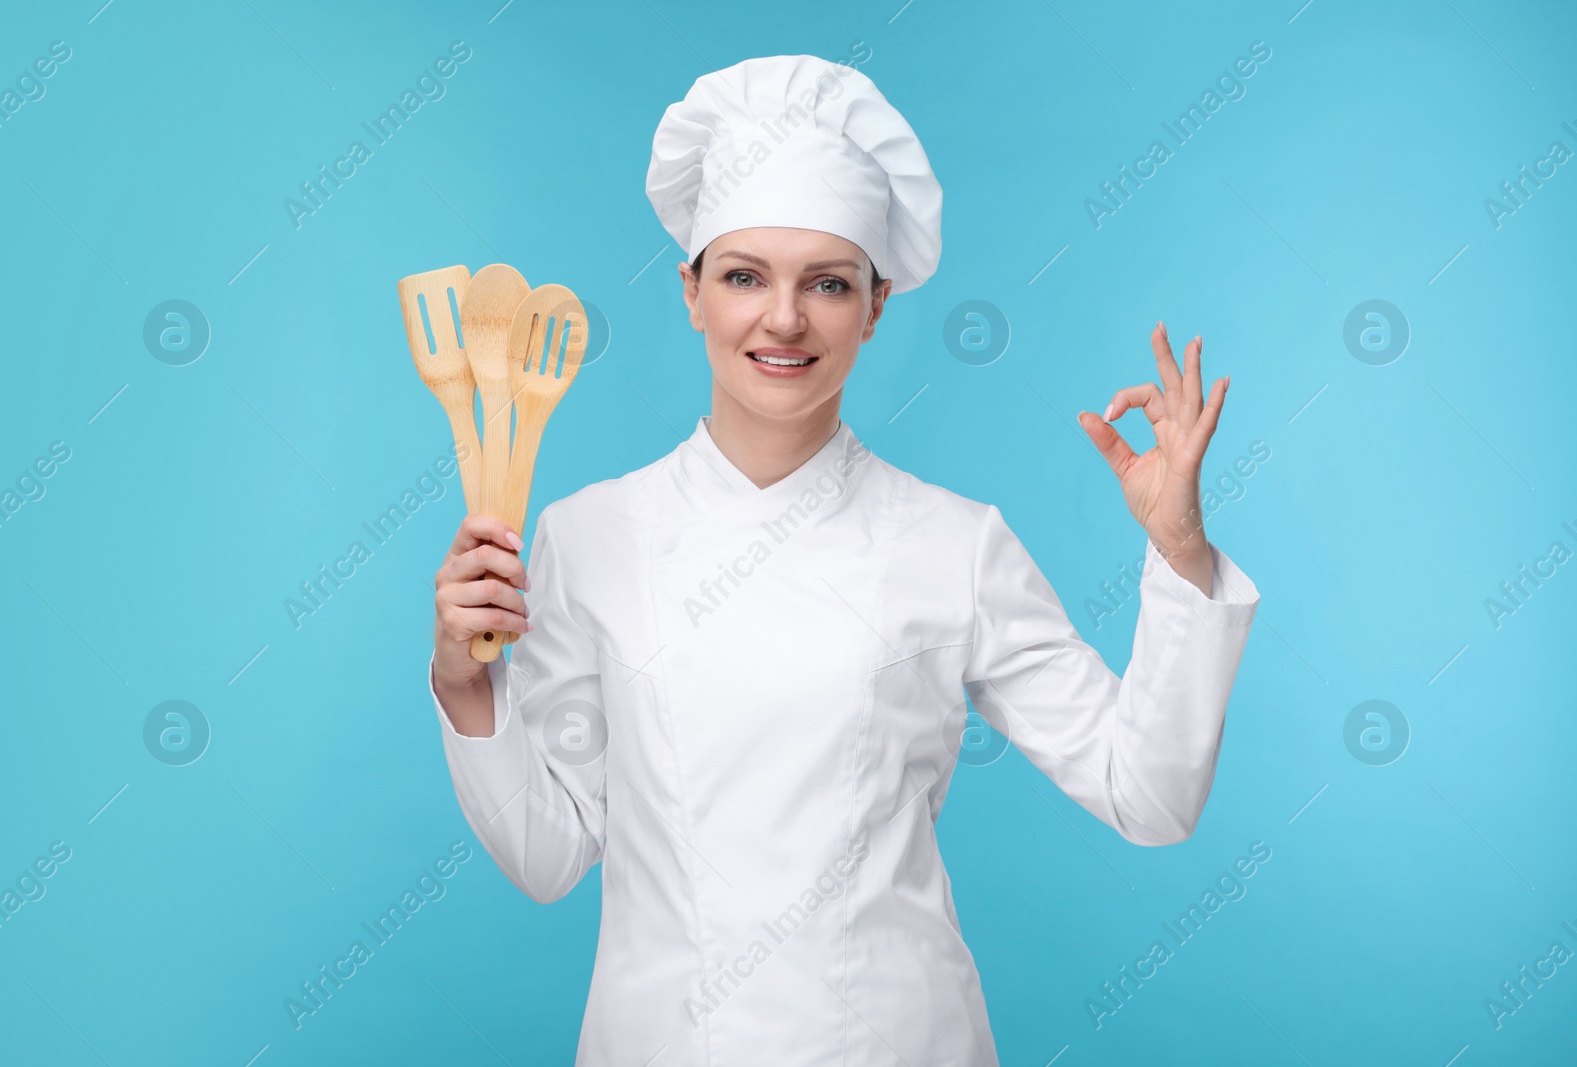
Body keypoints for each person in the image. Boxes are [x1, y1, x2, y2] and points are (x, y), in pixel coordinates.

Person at [428, 53, 1260, 1066]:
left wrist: (1178, 550)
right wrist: (466, 683)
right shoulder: (587, 535)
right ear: (690, 292)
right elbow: (548, 853)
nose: (783, 319)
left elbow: (1150, 793)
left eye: (827, 282)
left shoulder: (954, 542)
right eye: (743, 277)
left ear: (874, 306)